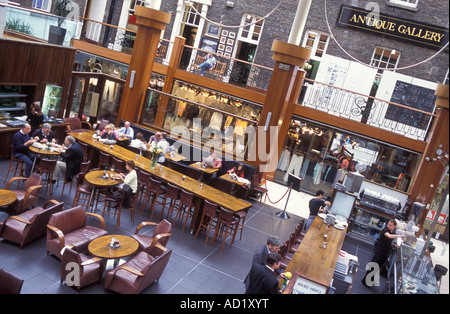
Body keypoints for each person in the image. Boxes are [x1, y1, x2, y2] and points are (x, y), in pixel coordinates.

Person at [361, 219, 403, 288]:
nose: (389, 226)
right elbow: (389, 236)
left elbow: (388, 241)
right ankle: (365, 282)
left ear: (394, 226)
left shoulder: (392, 232)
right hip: (380, 251)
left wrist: (394, 245)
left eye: (391, 225)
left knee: (378, 267)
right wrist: (399, 236)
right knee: (373, 265)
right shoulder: (385, 230)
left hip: (385, 252)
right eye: (388, 224)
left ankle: (370, 281)